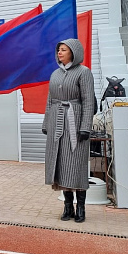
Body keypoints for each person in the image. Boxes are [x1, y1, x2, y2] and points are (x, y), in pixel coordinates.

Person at [42, 39, 96, 223]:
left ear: (74, 52)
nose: (59, 52)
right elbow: (50, 101)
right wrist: (46, 123)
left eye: (63, 50)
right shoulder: (55, 74)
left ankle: (81, 208)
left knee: (76, 165)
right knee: (61, 164)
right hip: (57, 123)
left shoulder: (84, 72)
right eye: (58, 50)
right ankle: (67, 206)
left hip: (75, 122)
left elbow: (89, 101)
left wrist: (85, 127)